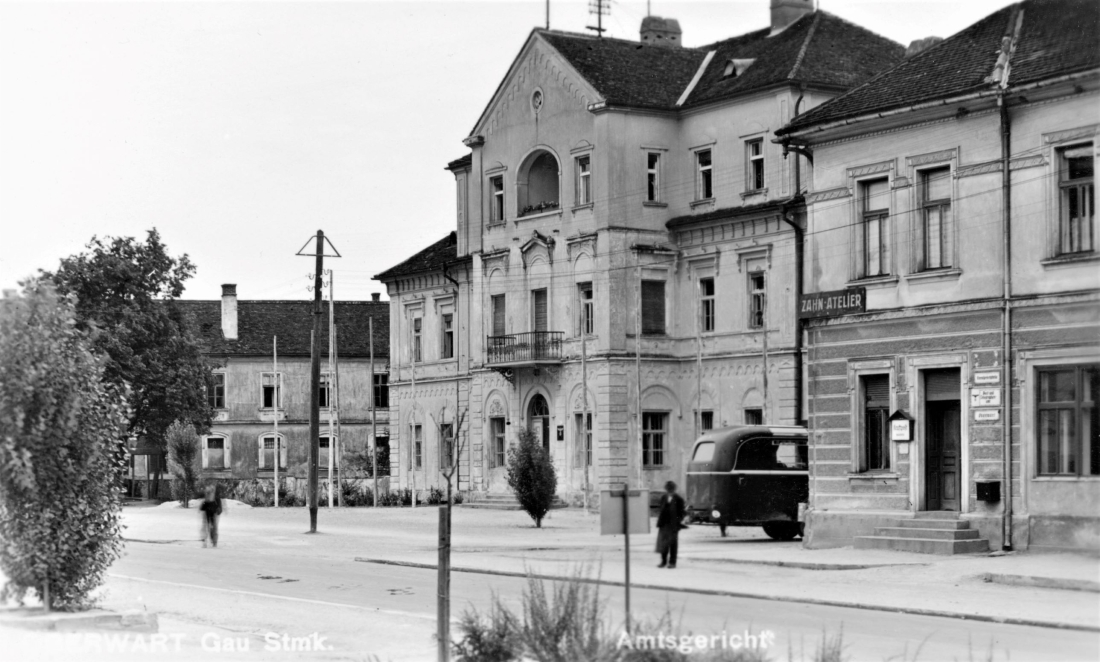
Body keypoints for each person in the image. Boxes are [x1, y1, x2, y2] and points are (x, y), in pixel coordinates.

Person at [655, 480, 686, 569]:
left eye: (671, 490)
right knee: (663, 544)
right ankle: (663, 561)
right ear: (666, 490)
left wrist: (677, 521)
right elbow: (661, 509)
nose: (670, 492)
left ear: (674, 490)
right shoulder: (663, 497)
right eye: (668, 490)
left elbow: (682, 512)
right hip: (664, 524)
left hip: (673, 525)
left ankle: (672, 562)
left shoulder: (679, 499)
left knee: (673, 544)